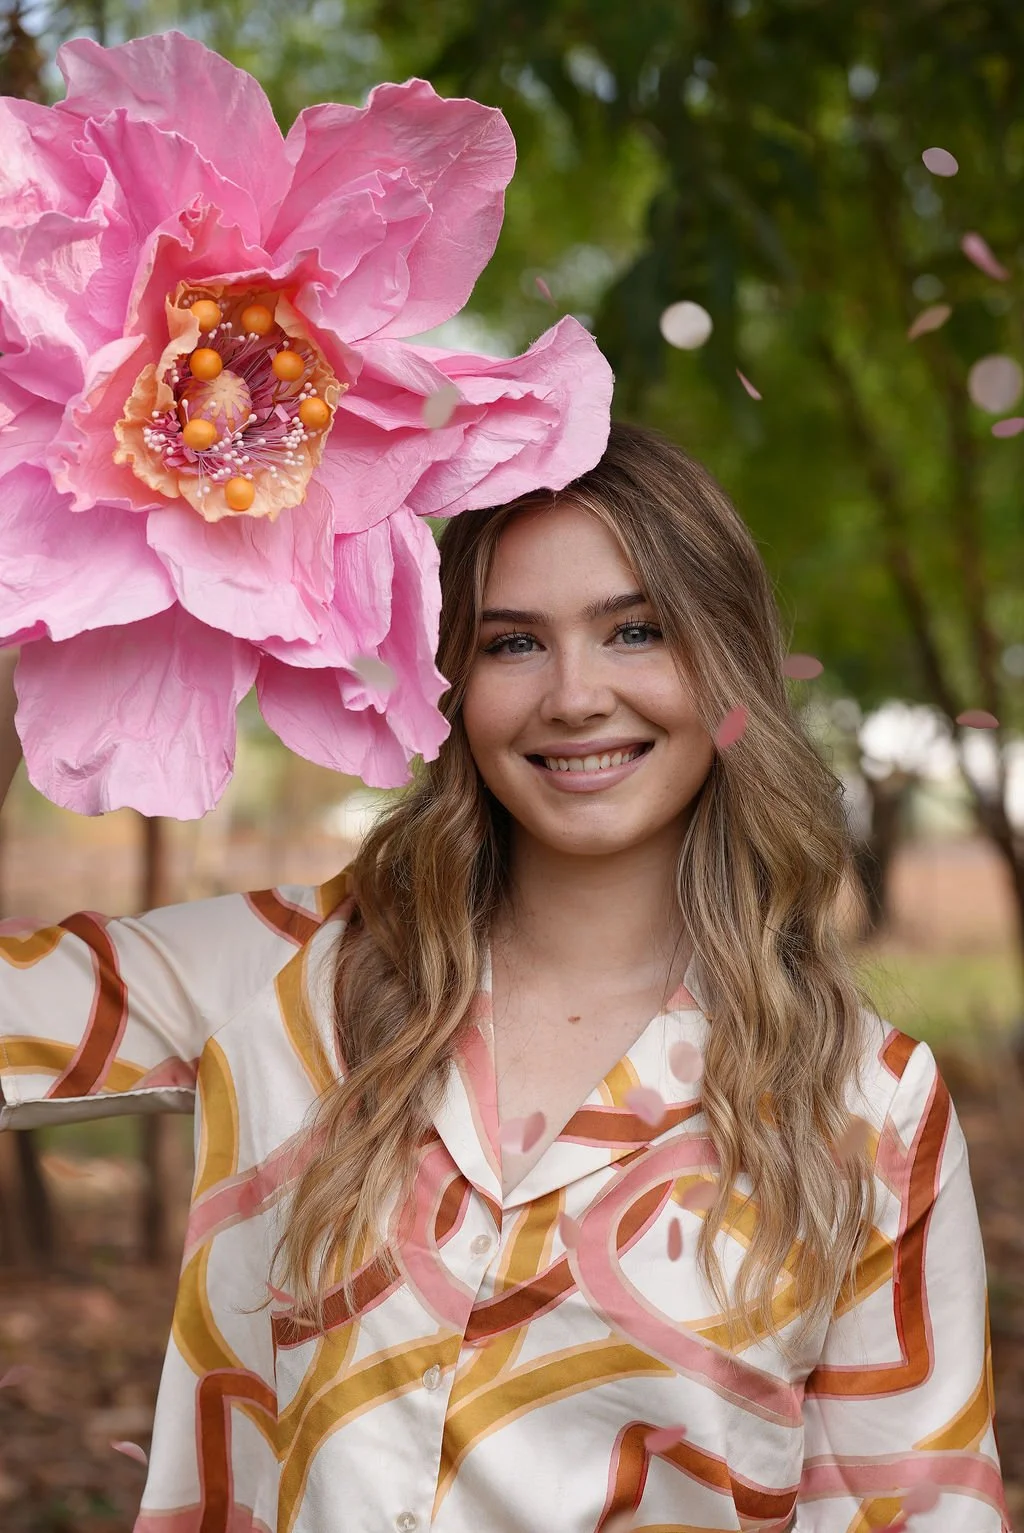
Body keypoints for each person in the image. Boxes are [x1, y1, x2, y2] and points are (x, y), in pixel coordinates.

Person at [0, 421, 1011, 1533]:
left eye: (635, 631)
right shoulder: (292, 973)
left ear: (725, 667)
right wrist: (49, 562)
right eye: (512, 643)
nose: (574, 697)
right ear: (452, 683)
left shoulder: (868, 1106)